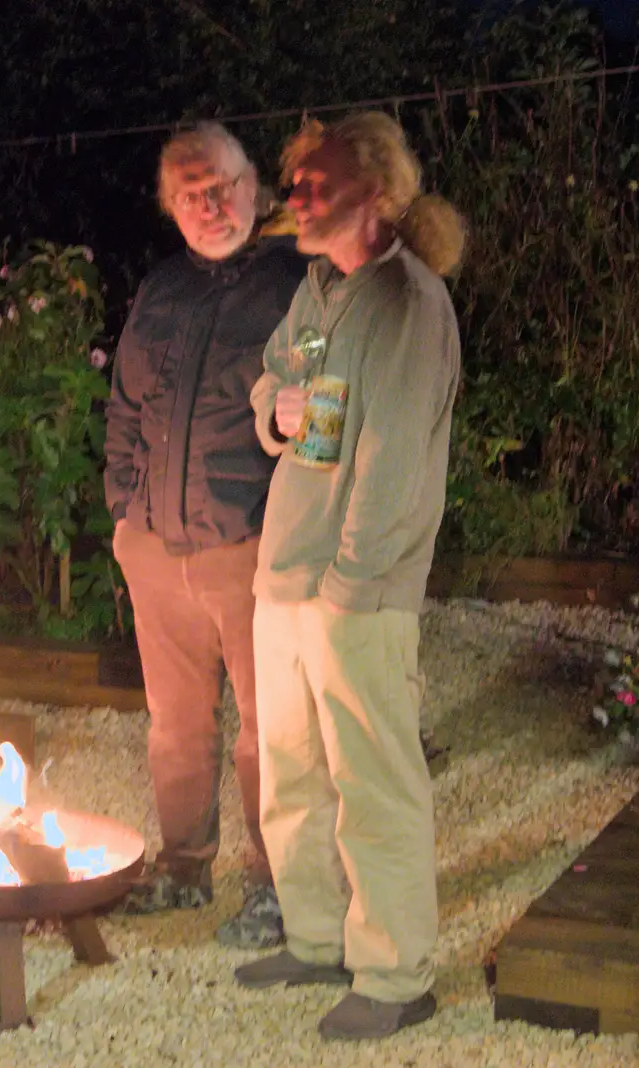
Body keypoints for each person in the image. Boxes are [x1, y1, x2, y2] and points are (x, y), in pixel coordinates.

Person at [231, 111, 466, 1042]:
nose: (294, 196)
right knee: (291, 775)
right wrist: (275, 413)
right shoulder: (319, 288)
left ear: (374, 192)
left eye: (313, 181)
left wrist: (350, 586)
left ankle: (398, 973)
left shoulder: (407, 303)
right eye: (295, 180)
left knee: (374, 784)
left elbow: (397, 462)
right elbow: (273, 375)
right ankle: (317, 937)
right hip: (284, 576)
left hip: (353, 596)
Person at [104, 121, 308, 948]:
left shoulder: (300, 285)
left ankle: (280, 884)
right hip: (157, 545)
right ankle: (185, 867)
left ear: (254, 186)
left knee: (273, 728)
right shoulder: (160, 289)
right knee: (174, 724)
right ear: (170, 208)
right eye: (191, 195)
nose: (210, 205)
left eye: (222, 186)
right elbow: (124, 404)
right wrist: (126, 513)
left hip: (249, 546)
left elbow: (320, 410)